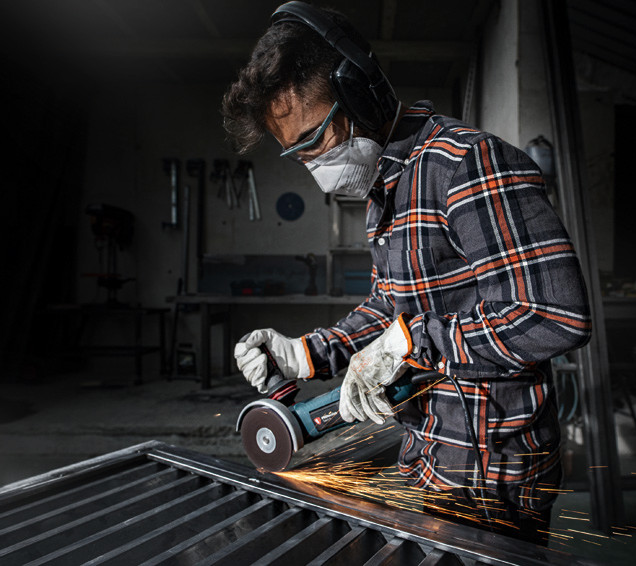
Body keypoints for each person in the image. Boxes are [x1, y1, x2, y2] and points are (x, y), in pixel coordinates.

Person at [222, 1, 591, 546]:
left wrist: (413, 342)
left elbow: (556, 315)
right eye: (295, 155)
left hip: (491, 473)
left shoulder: (466, 165)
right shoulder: (385, 190)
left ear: (359, 94)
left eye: (313, 141)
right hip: (428, 453)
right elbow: (389, 306)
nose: (311, 165)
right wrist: (307, 353)